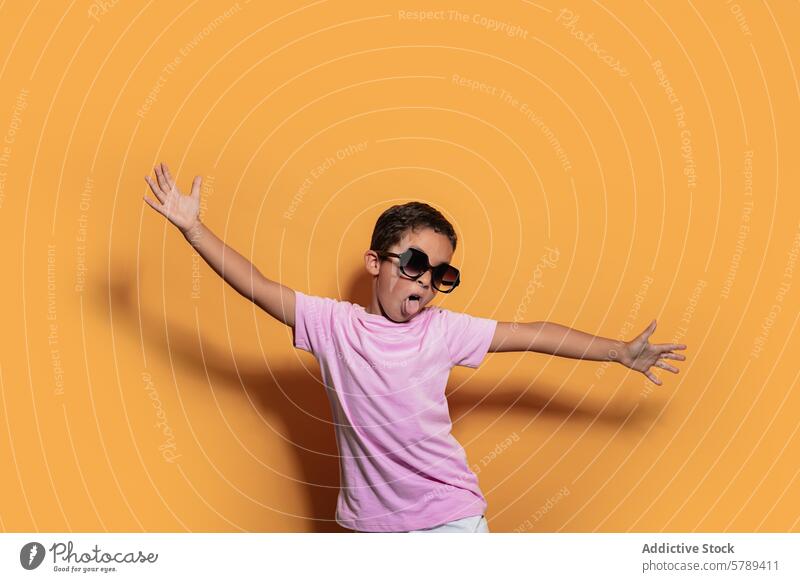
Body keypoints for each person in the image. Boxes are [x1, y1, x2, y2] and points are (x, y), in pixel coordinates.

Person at [142, 162, 687, 533]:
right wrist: (194, 229)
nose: (426, 281)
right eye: (415, 264)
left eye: (441, 273)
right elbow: (257, 284)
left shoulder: (442, 330)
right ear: (376, 264)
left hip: (449, 520)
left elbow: (534, 333)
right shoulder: (332, 325)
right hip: (368, 528)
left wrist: (618, 351)